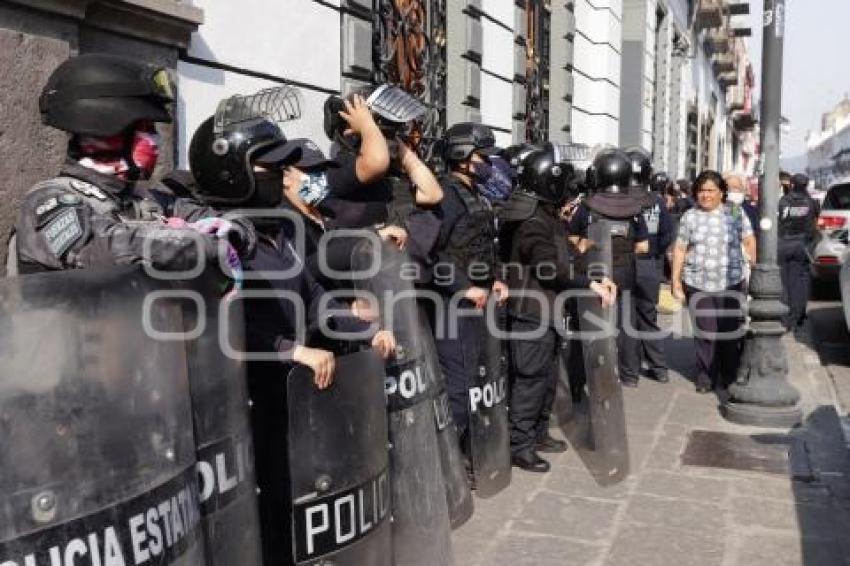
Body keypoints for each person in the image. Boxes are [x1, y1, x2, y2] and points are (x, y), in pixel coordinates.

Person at [188, 100, 396, 564]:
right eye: (270, 167)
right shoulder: (212, 238)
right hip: (241, 401)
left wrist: (363, 332)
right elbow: (219, 321)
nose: (280, 177)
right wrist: (290, 349)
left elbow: (316, 296)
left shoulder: (279, 232)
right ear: (232, 171)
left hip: (287, 396)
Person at [9, 53, 256, 276]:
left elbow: (232, 224)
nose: (154, 140)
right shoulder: (49, 201)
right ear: (106, 130)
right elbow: (102, 249)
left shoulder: (148, 200)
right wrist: (198, 244)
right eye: (144, 128)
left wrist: (231, 231)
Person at [500, 143, 616, 472]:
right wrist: (588, 284)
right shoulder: (531, 221)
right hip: (531, 312)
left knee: (547, 377)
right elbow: (548, 268)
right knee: (530, 379)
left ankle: (537, 434)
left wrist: (595, 274)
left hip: (548, 312)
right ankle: (519, 445)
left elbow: (565, 256)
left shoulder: (546, 217)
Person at [431, 122, 508, 456]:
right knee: (459, 387)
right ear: (461, 156)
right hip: (452, 305)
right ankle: (447, 464)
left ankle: (468, 451)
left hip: (477, 300)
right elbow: (431, 254)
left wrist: (493, 280)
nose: (488, 164)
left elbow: (478, 245)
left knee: (478, 380)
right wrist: (464, 287)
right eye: (482, 157)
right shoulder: (447, 195)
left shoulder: (475, 194)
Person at [569, 148, 649, 388]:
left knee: (587, 322)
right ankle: (629, 375)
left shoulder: (587, 206)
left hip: (594, 273)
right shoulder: (635, 209)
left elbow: (573, 239)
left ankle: (583, 375)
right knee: (626, 325)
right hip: (625, 272)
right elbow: (643, 246)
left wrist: (589, 245)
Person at [671, 170, 756, 393]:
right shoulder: (689, 216)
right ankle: (706, 376)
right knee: (705, 333)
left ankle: (729, 375)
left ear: (721, 193)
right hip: (697, 283)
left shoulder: (735, 213)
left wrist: (753, 269)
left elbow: (748, 240)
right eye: (701, 190)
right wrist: (675, 280)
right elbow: (680, 249)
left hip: (731, 283)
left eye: (711, 190)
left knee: (729, 332)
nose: (705, 195)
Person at [632, 165, 674, 383]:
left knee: (626, 317)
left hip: (630, 263)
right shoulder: (657, 202)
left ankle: (630, 371)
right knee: (648, 317)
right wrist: (655, 254)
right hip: (650, 264)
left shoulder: (620, 199)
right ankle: (659, 368)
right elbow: (667, 232)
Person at [778, 172, 819, 335]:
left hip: (783, 244)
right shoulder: (811, 202)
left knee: (784, 283)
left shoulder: (783, 201)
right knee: (800, 282)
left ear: (792, 184)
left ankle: (785, 318)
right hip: (803, 245)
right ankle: (798, 316)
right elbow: (815, 222)